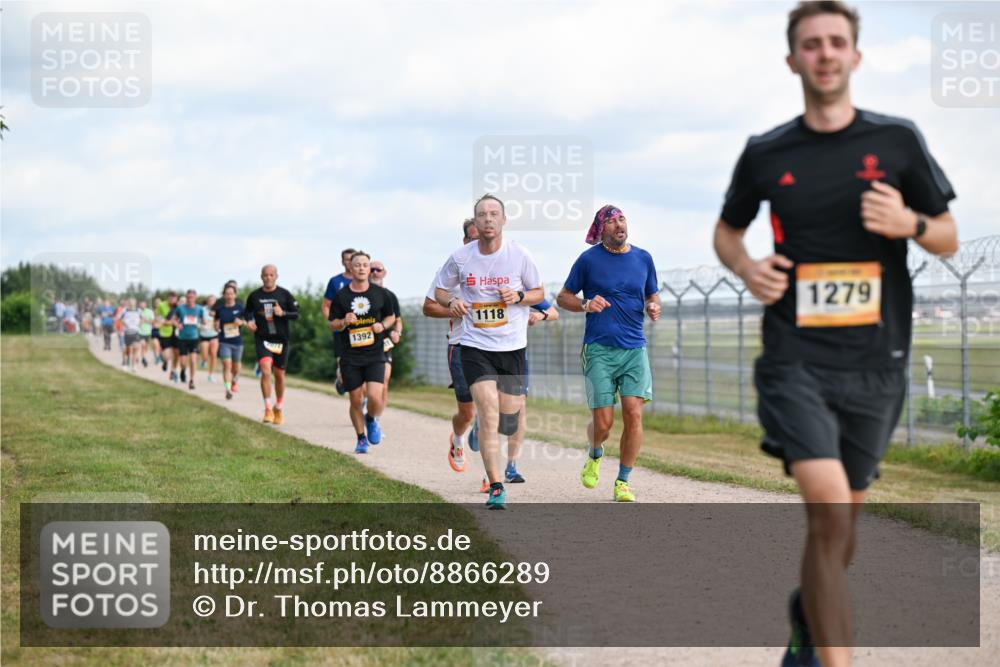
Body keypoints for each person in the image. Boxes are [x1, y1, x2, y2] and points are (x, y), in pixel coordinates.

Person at [712, 3, 959, 665]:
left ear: (855, 55)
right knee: (826, 508)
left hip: (877, 360)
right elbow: (727, 232)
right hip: (795, 356)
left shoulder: (898, 141)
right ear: (793, 60)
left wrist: (908, 221)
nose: (824, 54)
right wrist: (747, 268)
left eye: (836, 42)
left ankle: (808, 618)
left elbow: (947, 237)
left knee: (842, 526)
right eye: (811, 44)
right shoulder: (768, 152)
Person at [434, 194, 544, 509]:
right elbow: (440, 290)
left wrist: (520, 295)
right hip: (475, 344)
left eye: (494, 214)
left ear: (503, 220)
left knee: (509, 418)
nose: (488, 219)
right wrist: (451, 301)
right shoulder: (460, 257)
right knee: (487, 410)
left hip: (511, 346)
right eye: (482, 214)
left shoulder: (520, 255)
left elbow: (539, 292)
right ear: (476, 221)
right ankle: (496, 485)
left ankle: (494, 453)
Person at [557, 204, 661, 503]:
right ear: (601, 229)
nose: (619, 225)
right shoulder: (588, 261)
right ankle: (595, 452)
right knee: (603, 424)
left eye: (622, 219)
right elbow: (563, 297)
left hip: (634, 349)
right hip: (599, 350)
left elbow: (652, 293)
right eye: (612, 221)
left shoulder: (643, 258)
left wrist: (654, 305)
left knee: (634, 414)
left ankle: (623, 481)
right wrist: (586, 304)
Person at [475, 297, 560, 493]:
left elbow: (554, 313)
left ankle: (511, 466)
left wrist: (539, 315)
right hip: (484, 354)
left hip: (516, 356)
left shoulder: (522, 291)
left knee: (518, 409)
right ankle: (489, 474)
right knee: (491, 410)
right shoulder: (481, 287)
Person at [424, 219, 480, 475]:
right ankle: (458, 439)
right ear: (465, 241)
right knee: (467, 413)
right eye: (474, 237)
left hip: (498, 345)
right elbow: (428, 306)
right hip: (461, 345)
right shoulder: (453, 268)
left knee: (497, 412)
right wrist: (452, 306)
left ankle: (491, 478)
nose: (481, 242)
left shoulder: (504, 265)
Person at [328, 252, 396, 454]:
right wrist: (343, 322)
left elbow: (391, 317)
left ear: (368, 269)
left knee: (375, 397)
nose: (361, 268)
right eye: (357, 264)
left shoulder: (380, 294)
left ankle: (371, 418)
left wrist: (381, 325)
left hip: (375, 353)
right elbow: (332, 324)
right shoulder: (342, 296)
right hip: (351, 356)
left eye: (365, 265)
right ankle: (360, 439)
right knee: (356, 399)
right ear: (351, 267)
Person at [244, 265, 299, 424]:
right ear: (261, 277)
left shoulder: (284, 294)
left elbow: (296, 314)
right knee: (266, 371)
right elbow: (247, 311)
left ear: (276, 276)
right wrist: (249, 321)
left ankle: (278, 407)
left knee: (279, 375)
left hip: (281, 340)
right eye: (265, 275)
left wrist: (283, 313)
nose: (268, 278)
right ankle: (268, 408)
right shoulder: (255, 295)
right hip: (263, 339)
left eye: (271, 275)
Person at [369, 259, 403, 426]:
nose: (375, 272)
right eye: (372, 269)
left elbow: (398, 321)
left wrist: (397, 332)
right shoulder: (360, 295)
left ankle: (376, 419)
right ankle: (365, 404)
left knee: (384, 380)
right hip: (364, 344)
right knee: (363, 385)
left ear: (384, 273)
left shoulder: (390, 296)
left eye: (378, 270)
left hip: (384, 343)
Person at [322, 248, 358, 396]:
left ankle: (360, 395)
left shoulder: (365, 280)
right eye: (346, 259)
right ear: (342, 261)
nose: (349, 262)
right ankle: (341, 379)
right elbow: (326, 305)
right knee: (342, 363)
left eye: (352, 259)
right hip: (341, 330)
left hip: (360, 330)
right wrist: (333, 321)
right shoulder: (335, 281)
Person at [215, 284, 245, 400]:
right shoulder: (220, 310)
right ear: (224, 295)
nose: (229, 296)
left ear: (235, 295)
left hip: (237, 342)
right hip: (224, 341)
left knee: (236, 367)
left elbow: (248, 321)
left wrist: (241, 322)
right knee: (227, 365)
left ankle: (234, 381)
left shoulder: (240, 308)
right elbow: (216, 324)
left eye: (231, 293)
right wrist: (216, 326)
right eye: (227, 294)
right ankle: (227, 390)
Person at [172, 289, 206, 390]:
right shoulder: (180, 308)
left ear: (195, 298)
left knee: (193, 360)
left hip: (194, 338)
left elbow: (203, 320)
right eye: (188, 297)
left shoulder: (199, 309)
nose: (190, 299)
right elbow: (173, 319)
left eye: (191, 297)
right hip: (182, 338)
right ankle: (182, 370)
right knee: (183, 362)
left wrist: (203, 323)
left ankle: (192, 380)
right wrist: (177, 325)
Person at [156, 292, 180, 382]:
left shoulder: (178, 307)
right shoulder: (161, 305)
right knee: (167, 356)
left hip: (176, 333)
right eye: (170, 298)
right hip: (165, 332)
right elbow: (158, 317)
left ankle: (173, 371)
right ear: (167, 298)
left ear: (176, 299)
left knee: (177, 353)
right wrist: (166, 322)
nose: (171, 300)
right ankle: (165, 361)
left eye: (173, 298)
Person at [117, 298, 144, 372]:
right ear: (128, 303)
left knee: (135, 348)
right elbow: (119, 318)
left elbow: (142, 318)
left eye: (133, 302)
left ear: (135, 303)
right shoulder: (125, 310)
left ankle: (134, 366)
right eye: (130, 302)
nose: (132, 303)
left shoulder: (138, 310)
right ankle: (125, 363)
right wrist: (125, 324)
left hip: (136, 332)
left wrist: (140, 325)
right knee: (127, 350)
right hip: (127, 332)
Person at [199, 294, 220, 382]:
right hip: (204, 335)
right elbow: (197, 320)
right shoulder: (202, 310)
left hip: (214, 335)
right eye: (210, 300)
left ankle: (211, 374)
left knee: (214, 354)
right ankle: (203, 360)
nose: (211, 302)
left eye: (213, 300)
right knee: (205, 355)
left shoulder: (218, 310)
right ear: (207, 301)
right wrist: (200, 325)